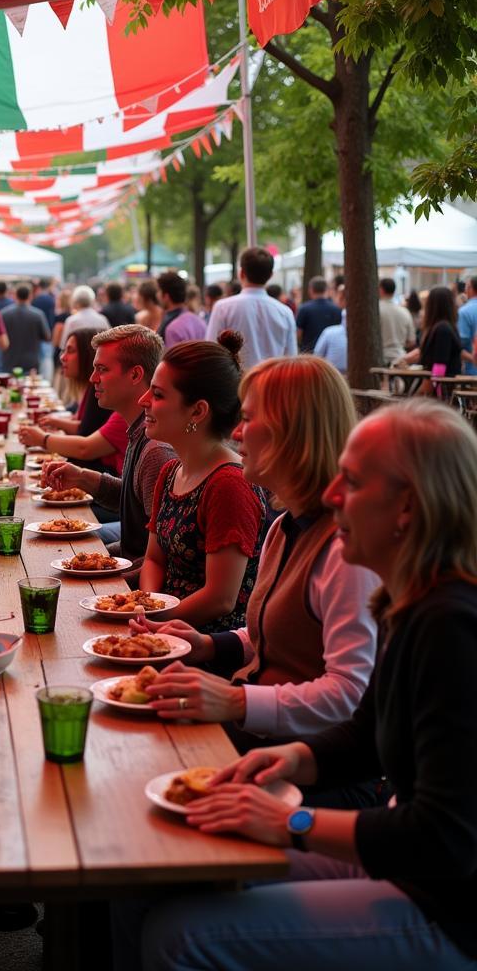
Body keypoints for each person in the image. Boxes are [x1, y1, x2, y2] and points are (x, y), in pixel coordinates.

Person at [125, 399, 477, 971]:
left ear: (407, 508)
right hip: (402, 854)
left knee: (179, 934)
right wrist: (289, 760)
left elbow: (445, 837)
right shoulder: (413, 598)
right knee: (163, 866)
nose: (334, 495)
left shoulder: (451, 624)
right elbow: (365, 735)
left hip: (444, 903)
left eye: (354, 482)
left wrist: (292, 820)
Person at [140, 356, 378, 751]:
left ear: (293, 432)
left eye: (249, 420)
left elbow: (349, 692)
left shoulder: (344, 549)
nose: (236, 432)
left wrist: (236, 700)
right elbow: (275, 634)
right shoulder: (287, 526)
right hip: (256, 722)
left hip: (297, 752)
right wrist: (211, 645)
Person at [139, 332, 269, 634]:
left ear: (198, 411)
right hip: (163, 627)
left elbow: (220, 599)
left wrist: (155, 622)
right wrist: (146, 604)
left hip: (208, 645)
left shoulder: (229, 484)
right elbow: (154, 559)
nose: (143, 400)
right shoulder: (171, 471)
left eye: (157, 395)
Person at [42, 324, 174, 566]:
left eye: (101, 369)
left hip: (141, 579)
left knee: (58, 547)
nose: (93, 378)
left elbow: (159, 558)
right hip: (132, 559)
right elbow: (133, 501)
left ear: (135, 375)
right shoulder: (137, 429)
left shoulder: (156, 448)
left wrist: (105, 570)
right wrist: (82, 477)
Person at [19, 328, 128, 475]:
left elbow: (85, 447)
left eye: (70, 351)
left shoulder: (123, 412)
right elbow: (83, 427)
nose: (63, 357)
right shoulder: (97, 392)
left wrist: (43, 439)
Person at [207, 247, 297, 370]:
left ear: (241, 273)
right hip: (272, 383)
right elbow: (291, 358)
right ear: (270, 275)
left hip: (236, 384)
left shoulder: (223, 308)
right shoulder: (285, 312)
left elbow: (212, 350)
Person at [0, 284, 51, 373]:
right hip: (31, 361)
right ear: (30, 296)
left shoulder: (4, 314)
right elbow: (47, 336)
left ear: (15, 295)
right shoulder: (38, 315)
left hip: (9, 360)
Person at [157, 271, 206, 347]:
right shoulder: (200, 321)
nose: (157, 295)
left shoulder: (172, 328)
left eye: (159, 291)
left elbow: (171, 358)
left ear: (166, 296)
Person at [296, 276, 342, 353]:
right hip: (330, 353)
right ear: (326, 290)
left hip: (309, 354)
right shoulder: (336, 309)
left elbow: (298, 333)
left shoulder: (304, 309)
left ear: (311, 290)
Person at [378, 277, 414, 367]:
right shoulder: (404, 311)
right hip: (400, 358)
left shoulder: (375, 310)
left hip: (380, 358)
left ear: (381, 290)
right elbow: (411, 341)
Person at [314, 294, 348, 374]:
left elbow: (318, 353)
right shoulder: (330, 332)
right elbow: (318, 355)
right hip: (333, 373)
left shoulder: (329, 332)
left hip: (332, 373)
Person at [457, 275, 477, 374]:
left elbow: (460, 344)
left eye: (466, 286)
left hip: (472, 372)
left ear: (470, 289)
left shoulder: (464, 312)